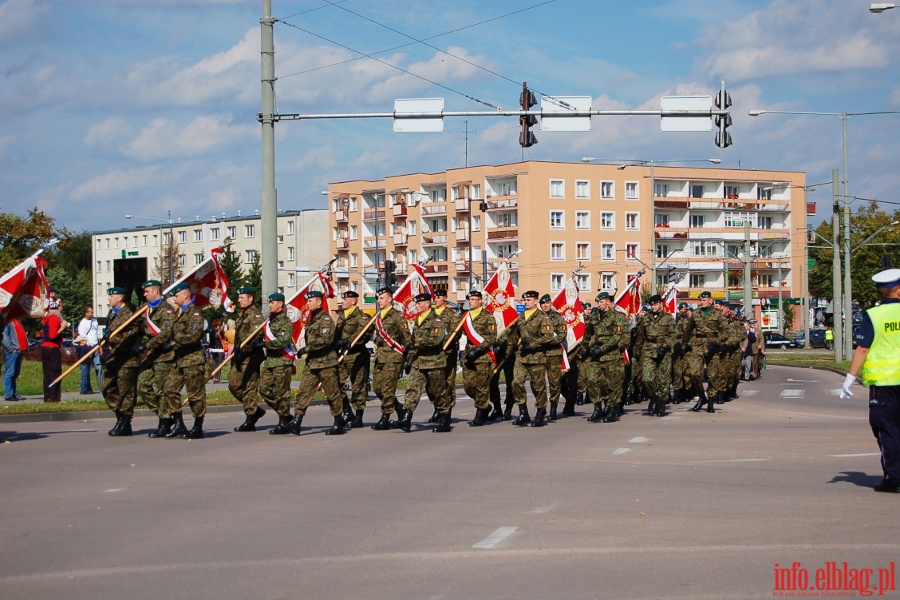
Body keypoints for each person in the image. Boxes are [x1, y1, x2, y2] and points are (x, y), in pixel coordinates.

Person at [841, 268, 900, 493]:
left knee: (888, 430)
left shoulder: (874, 315)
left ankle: (894, 478)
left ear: (879, 293)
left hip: (884, 384)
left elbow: (863, 348)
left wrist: (849, 378)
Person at [292, 290, 347, 436]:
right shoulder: (311, 320)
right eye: (307, 301)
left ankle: (338, 422)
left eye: (310, 301)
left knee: (332, 394)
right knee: (304, 392)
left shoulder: (326, 320)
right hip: (312, 364)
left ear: (319, 302)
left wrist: (306, 349)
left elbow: (325, 340)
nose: (307, 304)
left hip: (326, 364)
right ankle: (296, 421)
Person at [396, 293, 452, 432]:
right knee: (412, 389)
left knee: (437, 391)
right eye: (416, 303)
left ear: (427, 304)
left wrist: (416, 345)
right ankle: (406, 419)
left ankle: (444, 418)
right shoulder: (417, 320)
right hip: (418, 362)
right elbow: (413, 341)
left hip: (434, 362)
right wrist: (409, 360)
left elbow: (436, 340)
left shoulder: (437, 321)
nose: (417, 306)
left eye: (420, 303)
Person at [161, 282, 208, 439]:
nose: (174, 298)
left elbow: (193, 337)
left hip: (193, 360)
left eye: (177, 295)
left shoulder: (195, 314)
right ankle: (179, 424)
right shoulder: (179, 314)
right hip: (179, 360)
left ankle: (198, 426)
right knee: (169, 389)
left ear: (186, 295)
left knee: (195, 394)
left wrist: (173, 342)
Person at [510, 290, 557, 427]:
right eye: (524, 300)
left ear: (536, 301)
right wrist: (509, 350)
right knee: (516, 383)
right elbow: (513, 334)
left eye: (529, 300)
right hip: (521, 355)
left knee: (538, 386)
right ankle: (523, 412)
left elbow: (548, 336)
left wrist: (532, 345)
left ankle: (540, 411)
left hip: (536, 356)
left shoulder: (543, 317)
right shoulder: (521, 316)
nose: (526, 302)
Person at [137, 280, 178, 438]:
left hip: (164, 355)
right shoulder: (147, 310)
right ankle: (164, 414)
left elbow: (165, 333)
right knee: (142, 385)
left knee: (160, 389)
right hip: (152, 355)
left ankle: (164, 421)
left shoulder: (167, 310)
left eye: (147, 291)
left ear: (156, 291)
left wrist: (147, 344)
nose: (145, 294)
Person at [584, 291, 630, 422]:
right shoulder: (594, 316)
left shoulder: (618, 317)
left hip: (611, 355)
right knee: (591, 380)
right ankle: (597, 408)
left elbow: (617, 336)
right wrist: (585, 349)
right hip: (596, 355)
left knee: (613, 385)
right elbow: (587, 334)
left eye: (602, 302)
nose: (599, 305)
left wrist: (603, 348)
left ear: (608, 303)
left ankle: (611, 409)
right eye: (598, 302)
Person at [99, 287, 140, 434]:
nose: (109, 298)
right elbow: (108, 335)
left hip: (126, 359)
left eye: (111, 296)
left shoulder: (129, 313)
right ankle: (120, 416)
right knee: (107, 387)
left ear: (120, 298)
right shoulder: (112, 313)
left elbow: (131, 335)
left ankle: (125, 421)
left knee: (125, 392)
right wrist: (103, 346)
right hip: (113, 358)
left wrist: (113, 340)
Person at [370, 287, 410, 430]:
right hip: (380, 357)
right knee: (377, 388)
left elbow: (407, 339)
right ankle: (399, 409)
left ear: (390, 299)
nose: (379, 301)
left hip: (393, 358)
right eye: (378, 298)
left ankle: (385, 418)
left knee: (388, 389)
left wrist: (408, 359)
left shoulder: (397, 317)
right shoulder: (378, 317)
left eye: (381, 298)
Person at [257, 292, 296, 435]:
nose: (270, 305)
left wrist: (265, 344)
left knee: (282, 393)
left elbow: (283, 341)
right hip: (270, 362)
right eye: (269, 302)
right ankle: (284, 414)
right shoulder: (269, 321)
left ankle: (283, 422)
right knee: (263, 389)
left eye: (272, 302)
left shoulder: (285, 322)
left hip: (282, 361)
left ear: (280, 304)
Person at [229, 287, 267, 432]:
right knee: (234, 385)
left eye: (241, 298)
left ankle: (250, 418)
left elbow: (256, 336)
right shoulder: (243, 315)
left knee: (249, 388)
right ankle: (255, 410)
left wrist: (243, 348)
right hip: (239, 357)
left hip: (251, 357)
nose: (239, 300)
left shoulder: (255, 315)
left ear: (250, 298)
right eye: (239, 298)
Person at [685, 291, 728, 413]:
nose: (701, 302)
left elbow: (726, 331)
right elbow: (688, 330)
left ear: (710, 300)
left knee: (712, 375)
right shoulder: (696, 313)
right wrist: (686, 345)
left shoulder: (718, 314)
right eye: (700, 300)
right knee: (693, 373)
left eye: (704, 300)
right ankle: (702, 397)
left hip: (712, 346)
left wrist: (717, 342)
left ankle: (710, 400)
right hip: (698, 345)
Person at [459, 290, 497, 427]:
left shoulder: (487, 316)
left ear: (480, 301)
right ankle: (484, 405)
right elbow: (457, 333)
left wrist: (479, 349)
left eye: (474, 299)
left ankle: (480, 412)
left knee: (482, 386)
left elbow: (492, 337)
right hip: (469, 355)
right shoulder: (465, 316)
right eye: (470, 299)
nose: (472, 301)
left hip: (482, 356)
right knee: (468, 386)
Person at [634, 294, 676, 417]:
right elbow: (640, 337)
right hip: (649, 351)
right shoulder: (646, 319)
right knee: (647, 379)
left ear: (661, 304)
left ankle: (661, 404)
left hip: (664, 352)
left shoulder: (668, 318)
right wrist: (637, 350)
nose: (653, 307)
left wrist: (665, 346)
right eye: (651, 305)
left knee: (663, 380)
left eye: (655, 304)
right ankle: (654, 397)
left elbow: (673, 336)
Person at [334, 290, 372, 428]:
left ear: (353, 301)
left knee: (358, 387)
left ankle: (359, 416)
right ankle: (347, 411)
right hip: (342, 356)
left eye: (345, 300)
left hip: (357, 355)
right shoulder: (341, 316)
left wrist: (348, 341)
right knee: (335, 383)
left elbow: (363, 334)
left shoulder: (361, 317)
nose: (342, 302)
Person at [539, 293, 568, 421]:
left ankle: (553, 408)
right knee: (538, 383)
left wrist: (550, 342)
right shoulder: (537, 317)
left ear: (551, 303)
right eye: (543, 303)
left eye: (547, 303)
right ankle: (542, 407)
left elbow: (562, 334)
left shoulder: (557, 317)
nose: (545, 305)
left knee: (554, 383)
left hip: (554, 353)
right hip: (539, 354)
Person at [41, 298, 69, 403]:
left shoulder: (45, 318)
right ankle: (54, 397)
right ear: (56, 308)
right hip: (52, 348)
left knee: (47, 373)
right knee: (55, 373)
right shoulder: (54, 318)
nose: (62, 309)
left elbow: (44, 334)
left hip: (45, 347)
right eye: (61, 306)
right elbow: (52, 335)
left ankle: (48, 396)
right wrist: (62, 327)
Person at [2, 316, 28, 401]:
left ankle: (14, 393)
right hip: (12, 351)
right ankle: (8, 394)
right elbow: (3, 335)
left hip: (19, 350)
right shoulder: (8, 322)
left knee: (15, 373)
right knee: (9, 373)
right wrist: (11, 348)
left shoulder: (16, 321)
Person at [76, 306, 100, 394]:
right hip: (87, 347)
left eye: (93, 312)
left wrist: (99, 345)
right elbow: (82, 337)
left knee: (99, 367)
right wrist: (87, 347)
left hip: (96, 346)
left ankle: (102, 387)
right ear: (86, 313)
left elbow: (97, 333)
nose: (92, 314)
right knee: (85, 368)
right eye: (91, 312)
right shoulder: (83, 323)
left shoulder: (95, 321)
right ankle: (85, 388)